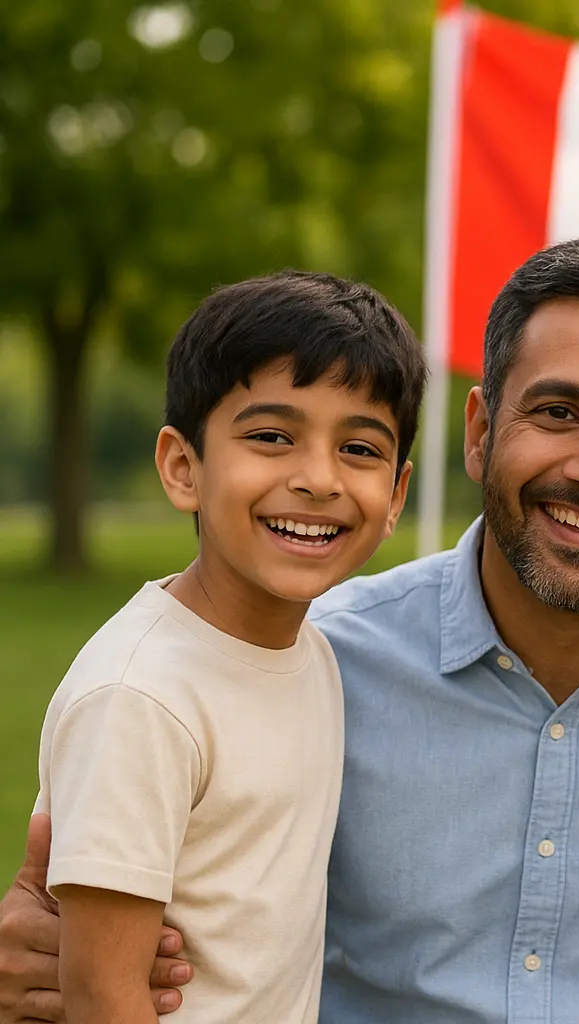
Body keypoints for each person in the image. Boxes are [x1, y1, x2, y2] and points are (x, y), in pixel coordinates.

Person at [0, 239, 579, 1023]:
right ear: (479, 432)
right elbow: (88, 925)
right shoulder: (311, 655)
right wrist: (37, 961)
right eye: (558, 412)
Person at [32, 271, 423, 1022]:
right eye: (271, 437)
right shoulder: (142, 697)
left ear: (397, 494)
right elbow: (99, 994)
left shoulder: (315, 654)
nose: (317, 479)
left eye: (360, 448)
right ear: (184, 468)